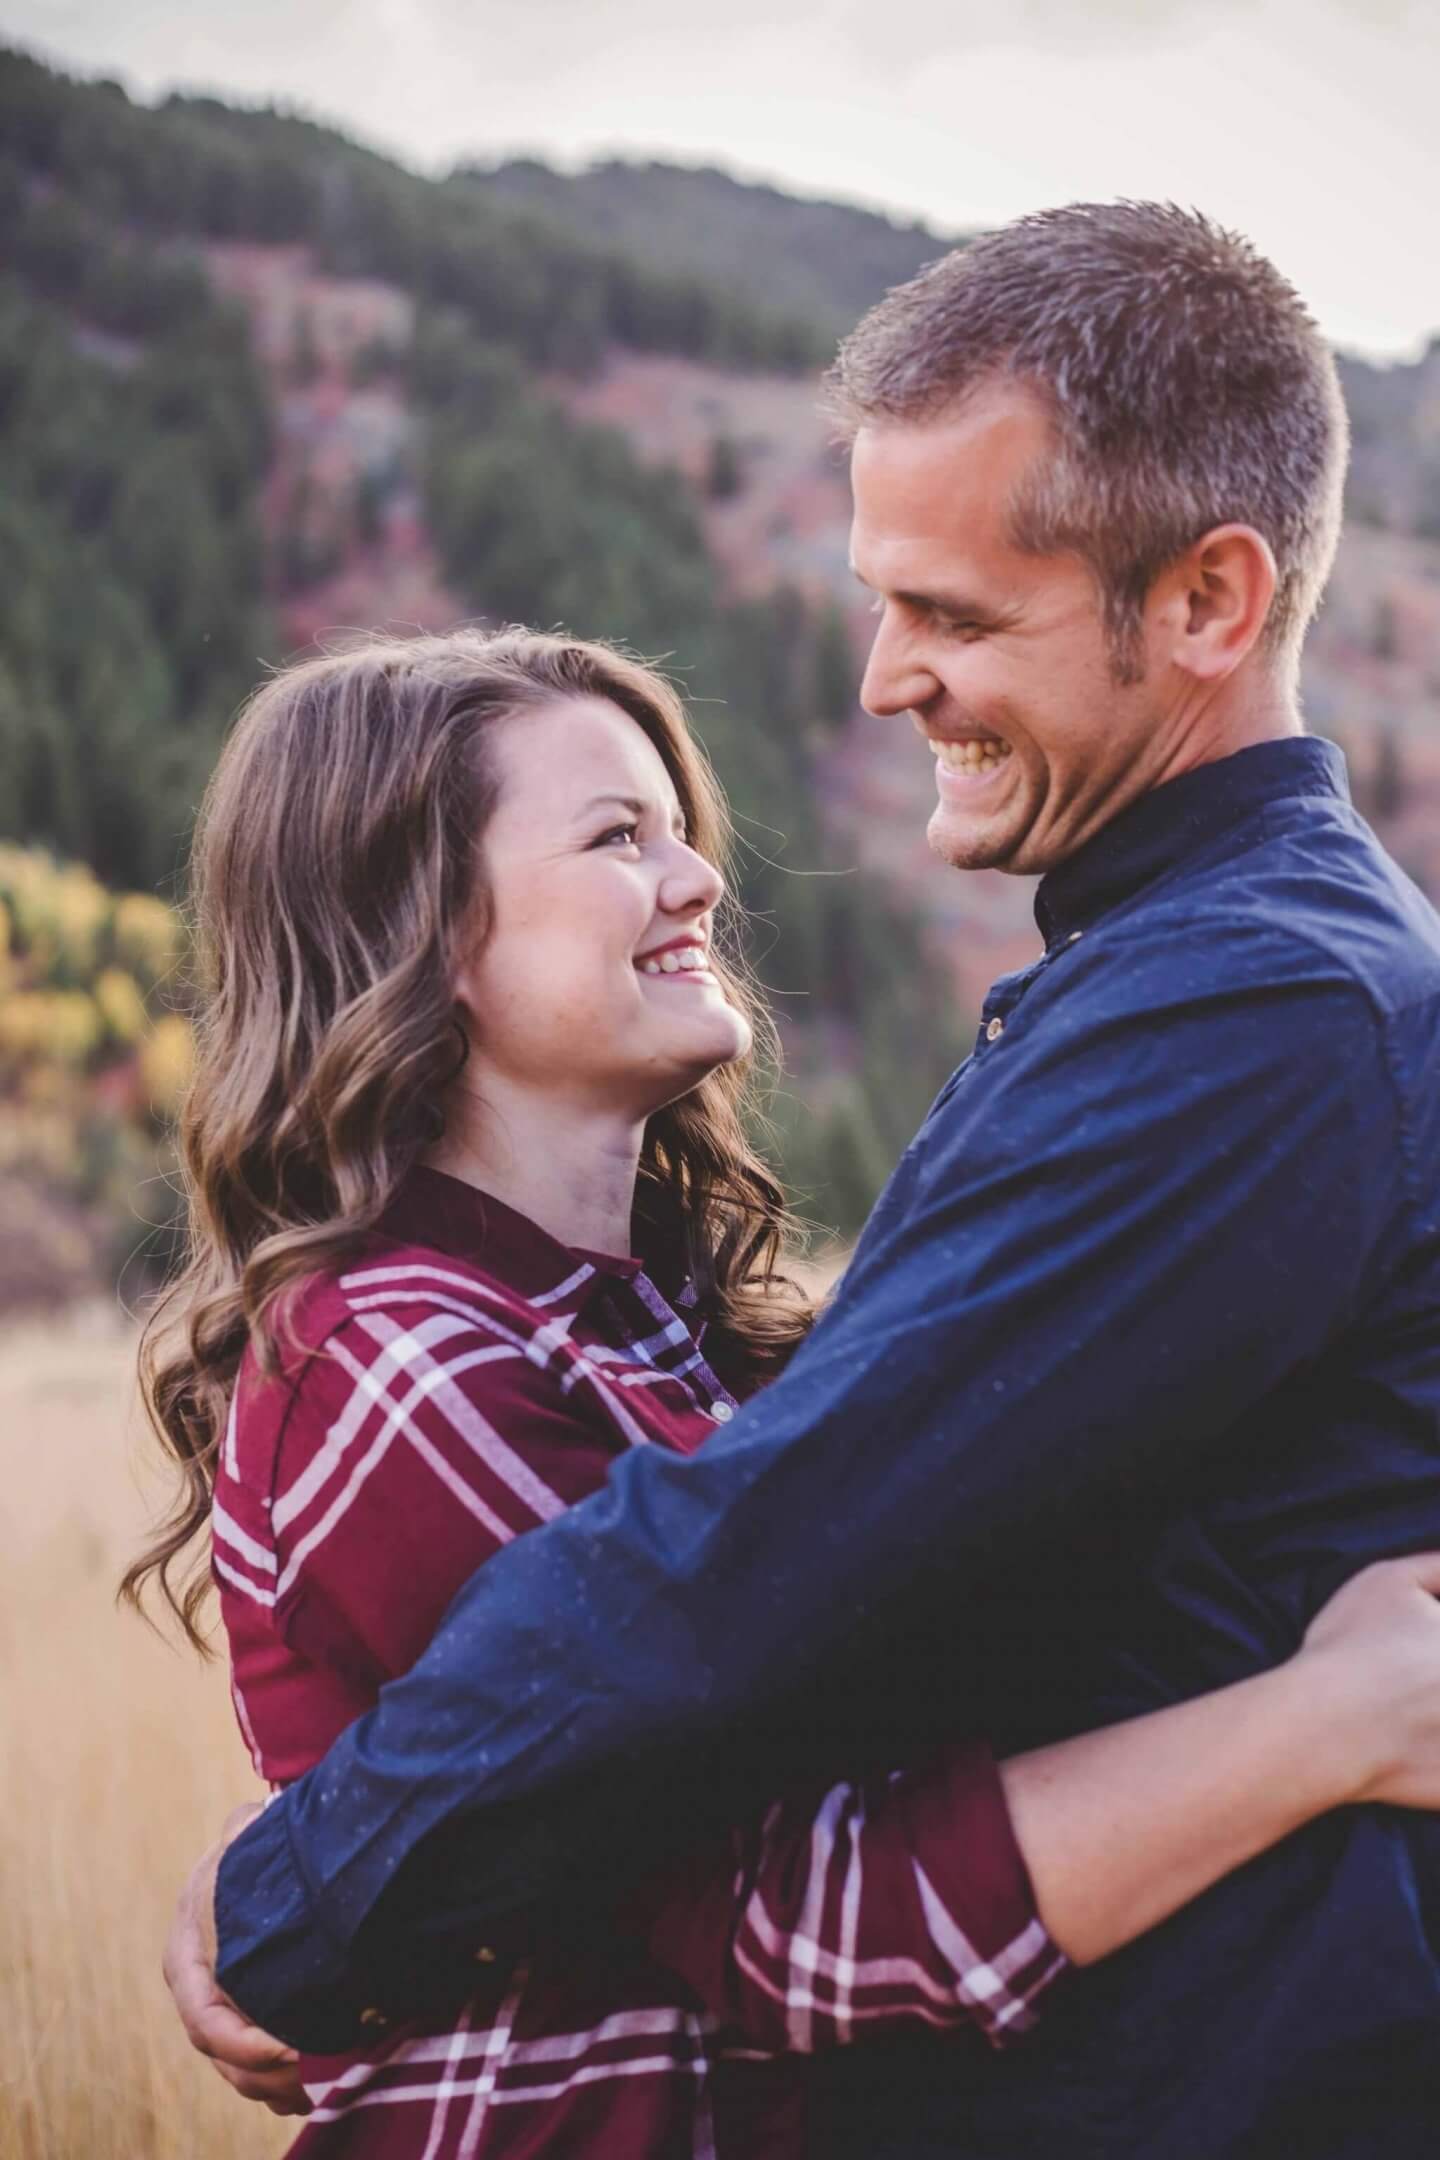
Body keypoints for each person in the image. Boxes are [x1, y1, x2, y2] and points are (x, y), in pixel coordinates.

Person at [171, 204, 1440, 2157]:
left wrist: (292, 1908)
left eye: (954, 615)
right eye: (880, 598)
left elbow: (751, 1572)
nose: (881, 681)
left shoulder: (1250, 1008)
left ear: (1206, 602)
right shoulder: (1191, 979)